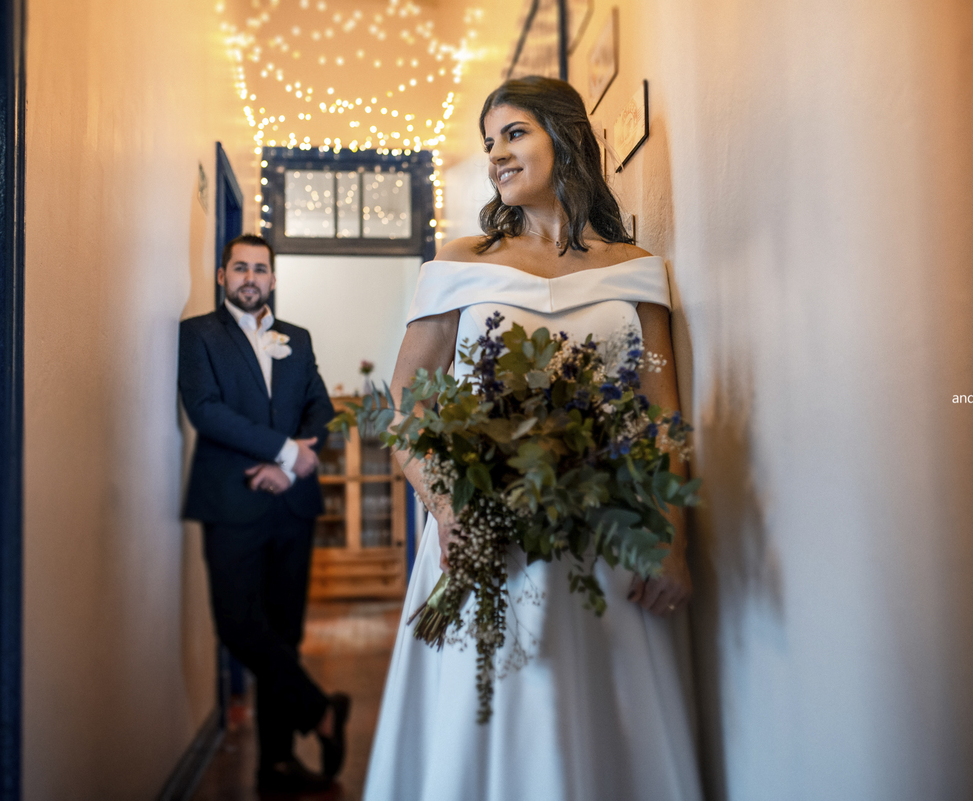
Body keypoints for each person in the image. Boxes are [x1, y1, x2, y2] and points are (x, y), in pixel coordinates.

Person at [363, 77, 703, 800]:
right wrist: (448, 505)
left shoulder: (637, 269)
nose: (495, 154)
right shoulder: (460, 263)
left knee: (604, 737)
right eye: (489, 141)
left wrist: (672, 537)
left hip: (607, 544)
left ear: (568, 136)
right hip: (487, 539)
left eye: (514, 133)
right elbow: (405, 409)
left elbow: (660, 413)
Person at [178, 233, 351, 794]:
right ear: (222, 276)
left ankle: (276, 764)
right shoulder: (197, 335)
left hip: (292, 503)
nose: (250, 278)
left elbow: (321, 410)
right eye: (240, 268)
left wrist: (292, 468)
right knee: (237, 625)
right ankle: (320, 711)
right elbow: (206, 411)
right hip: (231, 501)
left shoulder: (296, 339)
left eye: (260, 269)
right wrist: (284, 451)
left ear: (273, 279)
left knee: (284, 632)